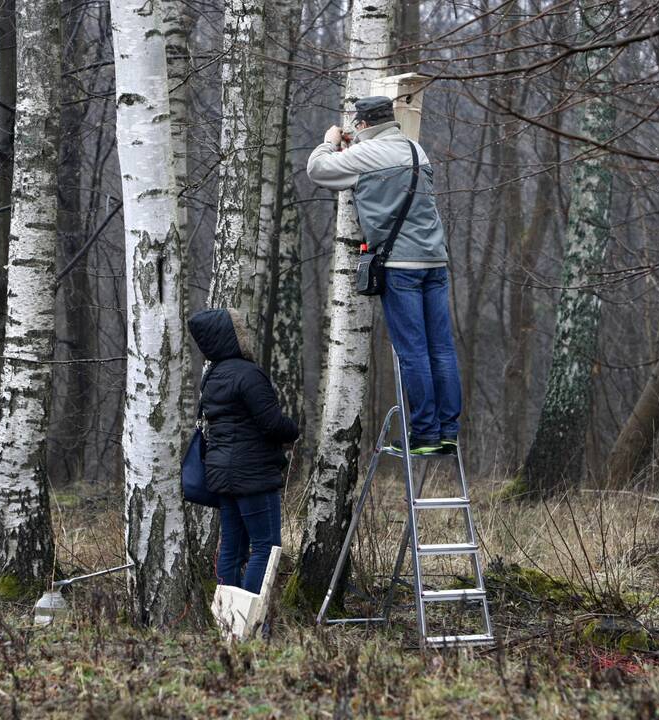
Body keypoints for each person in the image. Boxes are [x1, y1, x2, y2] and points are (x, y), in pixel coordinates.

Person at [306, 95, 462, 455]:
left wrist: (330, 142)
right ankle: (447, 432)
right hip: (434, 262)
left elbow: (318, 170)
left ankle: (423, 434)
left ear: (362, 125)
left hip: (400, 266)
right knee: (441, 349)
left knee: (413, 353)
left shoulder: (366, 156)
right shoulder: (415, 150)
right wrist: (355, 147)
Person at [187, 307, 299, 594]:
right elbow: (272, 423)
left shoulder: (211, 377)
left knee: (232, 550)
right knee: (265, 547)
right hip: (253, 474)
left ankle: (228, 622)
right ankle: (250, 624)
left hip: (222, 474)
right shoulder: (248, 374)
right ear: (232, 336)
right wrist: (294, 430)